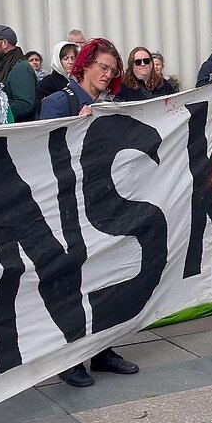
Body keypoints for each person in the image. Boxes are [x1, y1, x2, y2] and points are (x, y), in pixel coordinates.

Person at [38, 38, 139, 386]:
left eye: (112, 69)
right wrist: (76, 127)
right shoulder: (58, 102)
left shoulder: (109, 104)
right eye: (102, 66)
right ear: (84, 65)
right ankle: (70, 357)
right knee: (72, 281)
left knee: (106, 276)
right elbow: (46, 151)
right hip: (67, 204)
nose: (106, 74)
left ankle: (102, 349)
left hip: (101, 200)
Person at [0, 24, 37, 122]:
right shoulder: (2, 65)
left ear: (4, 43)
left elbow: (24, 106)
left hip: (18, 133)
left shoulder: (20, 68)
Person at [36, 41, 78, 114]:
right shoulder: (48, 82)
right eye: (66, 58)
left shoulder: (79, 79)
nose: (70, 62)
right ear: (58, 60)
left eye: (73, 58)